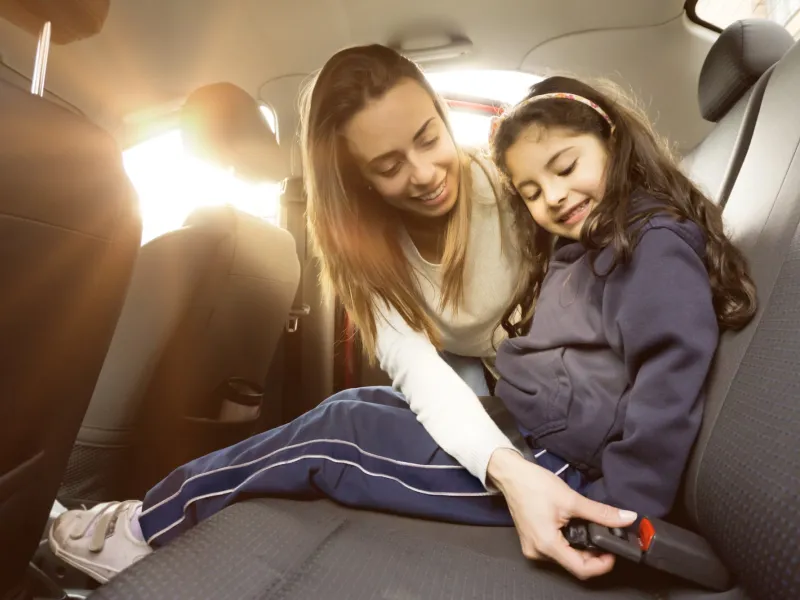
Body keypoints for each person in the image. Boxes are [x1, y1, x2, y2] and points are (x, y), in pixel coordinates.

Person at [51, 61, 737, 585]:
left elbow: (663, 369)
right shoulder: (559, 230)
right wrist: (507, 458)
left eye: (429, 137)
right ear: (357, 178)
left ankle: (138, 530)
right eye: (386, 165)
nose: (424, 172)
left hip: (564, 463)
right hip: (529, 430)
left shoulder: (590, 216)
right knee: (358, 405)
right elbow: (429, 376)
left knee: (340, 434)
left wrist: (618, 514)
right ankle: (146, 516)